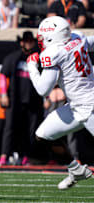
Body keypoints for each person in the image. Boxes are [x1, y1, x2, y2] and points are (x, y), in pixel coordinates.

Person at [26, 15, 94, 189]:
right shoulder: (77, 37)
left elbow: (43, 90)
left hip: (90, 107)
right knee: (43, 135)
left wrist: (32, 68)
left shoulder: (54, 52)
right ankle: (76, 170)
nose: (40, 40)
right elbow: (90, 42)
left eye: (42, 37)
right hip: (75, 106)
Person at [0, 31, 44, 165]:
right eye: (26, 41)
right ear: (21, 42)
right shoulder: (13, 58)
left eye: (31, 41)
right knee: (10, 128)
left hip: (33, 100)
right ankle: (4, 156)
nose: (29, 43)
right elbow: (3, 76)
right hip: (15, 99)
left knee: (30, 130)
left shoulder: (39, 59)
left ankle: (24, 156)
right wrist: (3, 94)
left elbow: (47, 79)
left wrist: (46, 98)